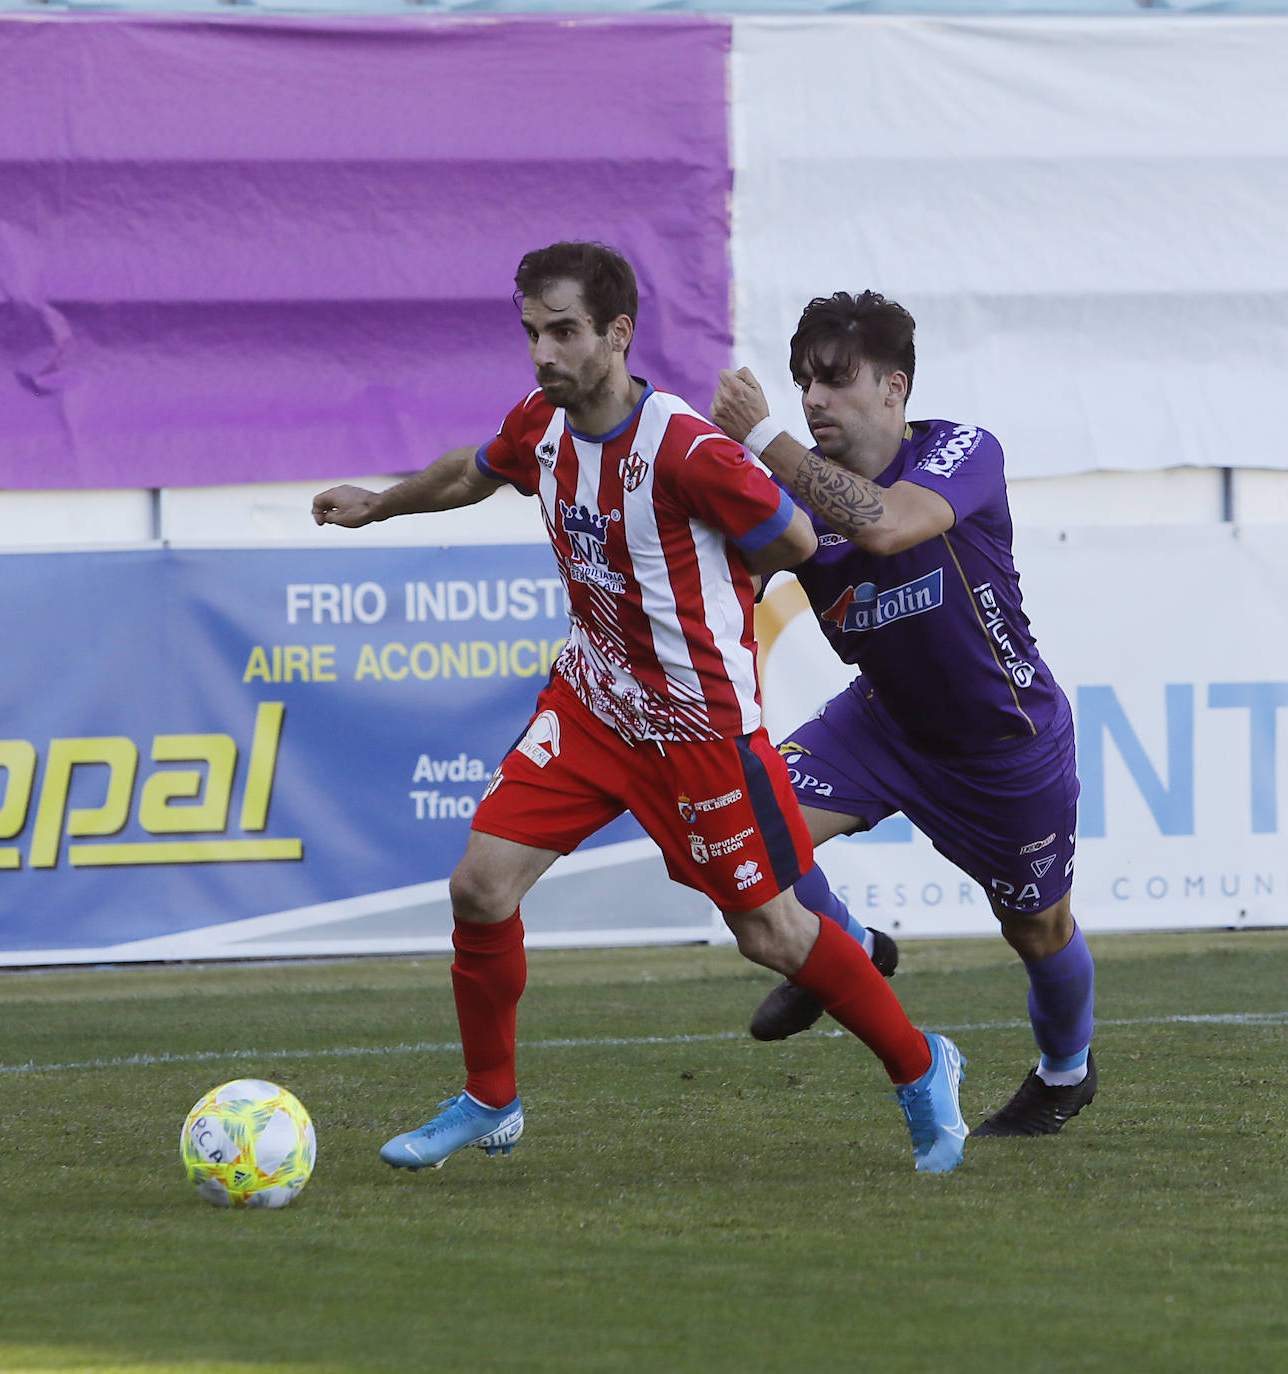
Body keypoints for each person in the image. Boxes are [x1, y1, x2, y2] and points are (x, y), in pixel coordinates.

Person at [312, 244, 968, 1173]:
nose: (544, 353)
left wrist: (710, 589)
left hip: (698, 727)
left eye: (565, 332)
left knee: (772, 932)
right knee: (479, 886)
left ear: (617, 335)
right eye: (533, 332)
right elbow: (475, 471)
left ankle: (921, 1063)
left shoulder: (685, 446)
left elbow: (791, 537)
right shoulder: (541, 424)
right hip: (593, 707)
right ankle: (490, 1100)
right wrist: (381, 505)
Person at [710, 290, 1095, 1138]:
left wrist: (760, 437)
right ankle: (847, 950)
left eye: (835, 380)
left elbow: (887, 526)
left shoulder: (961, 450)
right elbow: (721, 584)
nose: (811, 400)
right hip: (880, 726)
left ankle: (1066, 1075)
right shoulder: (789, 493)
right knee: (744, 829)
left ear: (895, 387)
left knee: (1038, 929)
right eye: (802, 381)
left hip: (1003, 742)